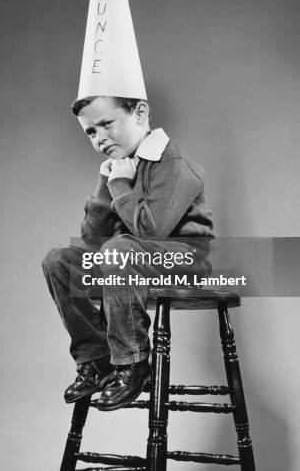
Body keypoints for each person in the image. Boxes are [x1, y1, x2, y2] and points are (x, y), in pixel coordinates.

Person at [42, 94, 214, 411]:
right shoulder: (120, 168)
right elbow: (92, 242)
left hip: (185, 258)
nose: (100, 138)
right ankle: (97, 359)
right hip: (125, 258)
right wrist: (105, 184)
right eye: (91, 132)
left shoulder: (172, 163)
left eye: (107, 124)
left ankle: (132, 362)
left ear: (140, 112)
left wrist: (121, 185)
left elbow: (151, 232)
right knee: (59, 260)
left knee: (119, 248)